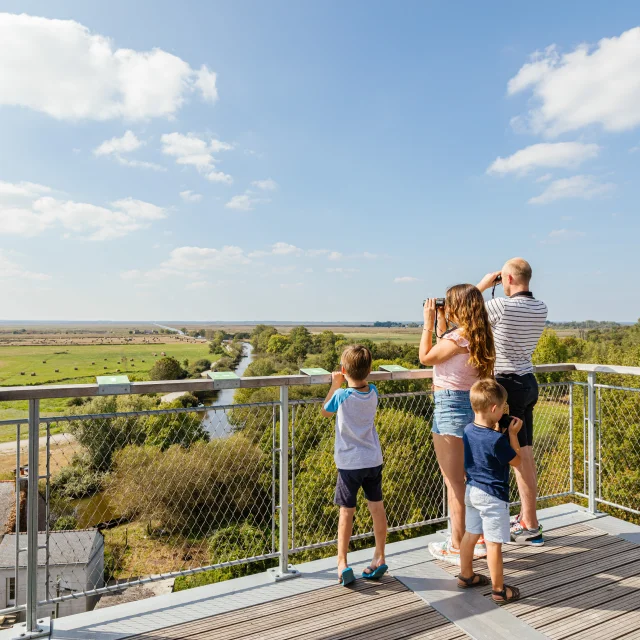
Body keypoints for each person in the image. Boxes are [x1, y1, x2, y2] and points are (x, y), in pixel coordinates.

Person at [420, 284, 496, 565]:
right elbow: (447, 346)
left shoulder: (459, 337)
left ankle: (457, 544)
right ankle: (474, 539)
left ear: (459, 307)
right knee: (468, 479)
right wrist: (442, 321)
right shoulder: (478, 336)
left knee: (454, 483)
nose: (446, 307)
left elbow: (427, 357)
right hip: (469, 406)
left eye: (449, 303)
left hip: (450, 407)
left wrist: (428, 324)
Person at [477, 258, 548, 546]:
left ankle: (520, 524)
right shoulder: (541, 307)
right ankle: (530, 521)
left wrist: (483, 285)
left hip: (506, 386)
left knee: (511, 457)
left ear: (506, 278)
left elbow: (464, 312)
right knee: (525, 453)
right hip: (528, 383)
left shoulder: (500, 306)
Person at [321, 344, 388, 586]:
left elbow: (325, 412)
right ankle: (379, 557)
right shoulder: (373, 392)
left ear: (343, 370)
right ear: (369, 370)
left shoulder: (341, 395)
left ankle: (342, 563)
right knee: (377, 508)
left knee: (346, 512)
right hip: (373, 459)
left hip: (350, 463)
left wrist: (335, 383)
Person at [457, 378, 522, 605]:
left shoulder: (467, 430)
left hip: (472, 490)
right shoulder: (497, 440)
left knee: (471, 534)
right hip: (493, 496)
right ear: (494, 409)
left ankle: (466, 575)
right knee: (494, 543)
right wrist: (512, 435)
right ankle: (499, 590)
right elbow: (516, 460)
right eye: (503, 408)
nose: (504, 411)